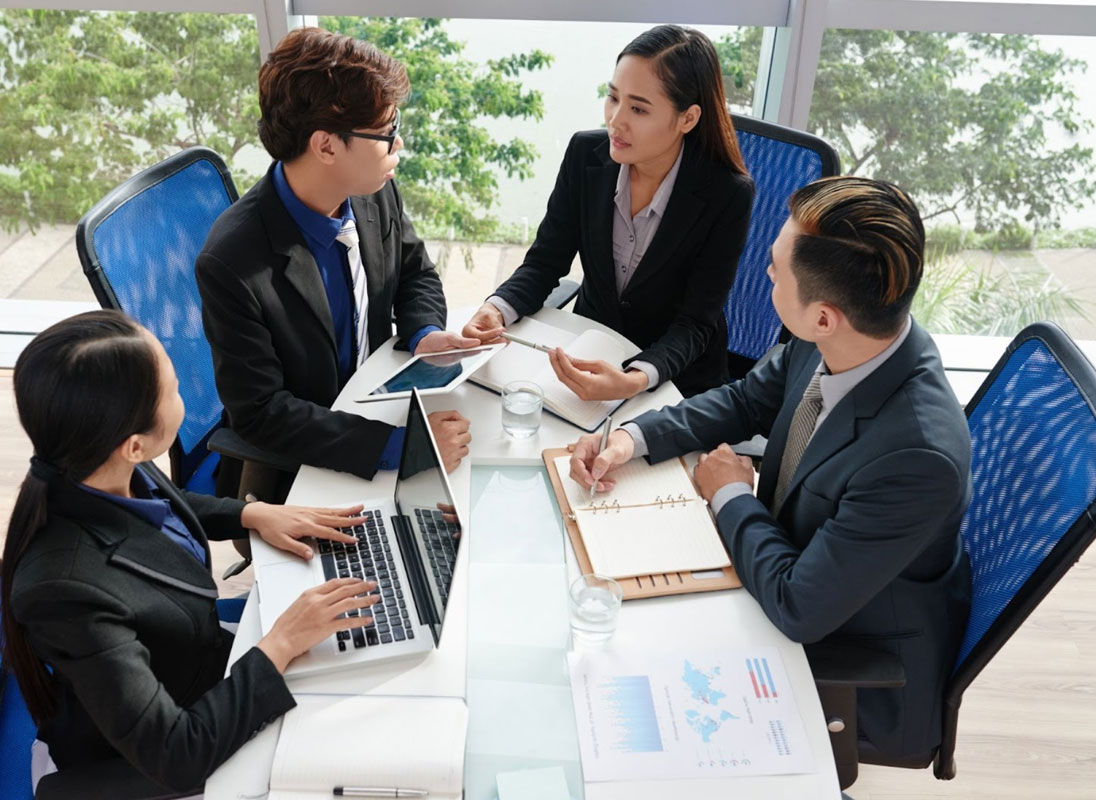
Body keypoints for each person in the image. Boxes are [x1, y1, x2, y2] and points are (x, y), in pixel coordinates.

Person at [569, 176, 972, 760]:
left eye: (776, 269)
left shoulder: (917, 456)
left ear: (825, 318)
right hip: (790, 561)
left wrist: (731, 494)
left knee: (614, 680)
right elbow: (746, 400)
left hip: (848, 658)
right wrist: (630, 439)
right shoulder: (852, 338)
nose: (767, 276)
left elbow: (799, 607)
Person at [0, 310, 380, 794]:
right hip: (159, 756)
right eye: (174, 388)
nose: (186, 395)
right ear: (134, 445)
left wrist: (250, 514)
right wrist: (281, 643)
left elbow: (162, 507)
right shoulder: (67, 592)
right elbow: (177, 756)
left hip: (191, 660)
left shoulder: (100, 465)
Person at [196, 27, 474, 490]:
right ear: (325, 145)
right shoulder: (233, 263)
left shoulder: (370, 190)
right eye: (386, 133)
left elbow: (414, 272)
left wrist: (423, 332)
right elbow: (262, 413)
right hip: (302, 463)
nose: (398, 145)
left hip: (380, 399)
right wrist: (399, 448)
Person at [462, 24, 754, 399]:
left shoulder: (726, 193)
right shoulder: (586, 156)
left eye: (638, 108)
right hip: (588, 353)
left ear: (688, 118)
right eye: (613, 98)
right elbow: (544, 263)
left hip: (674, 380)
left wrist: (636, 377)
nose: (616, 120)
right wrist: (496, 309)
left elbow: (696, 323)